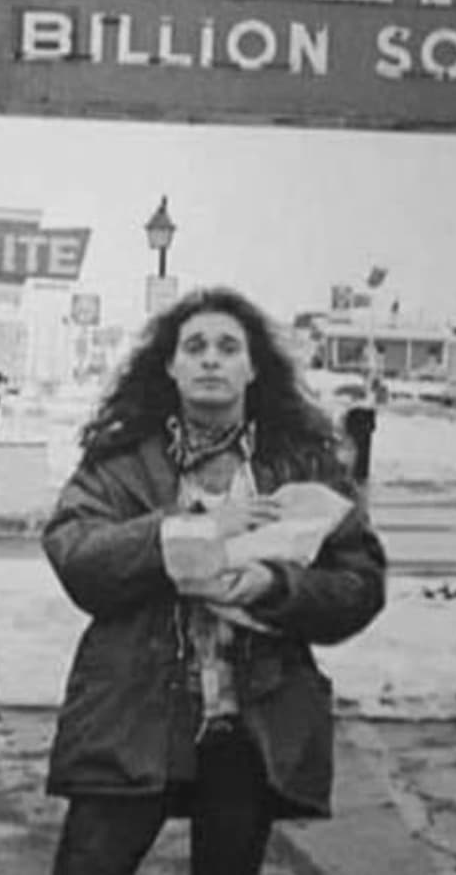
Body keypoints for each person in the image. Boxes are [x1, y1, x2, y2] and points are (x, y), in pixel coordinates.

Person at [42, 285, 387, 875]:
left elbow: (360, 583)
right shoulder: (121, 460)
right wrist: (191, 528)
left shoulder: (299, 465)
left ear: (253, 369)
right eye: (195, 346)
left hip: (249, 724)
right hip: (132, 710)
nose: (210, 359)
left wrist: (275, 586)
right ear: (170, 365)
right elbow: (79, 560)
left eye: (229, 348)